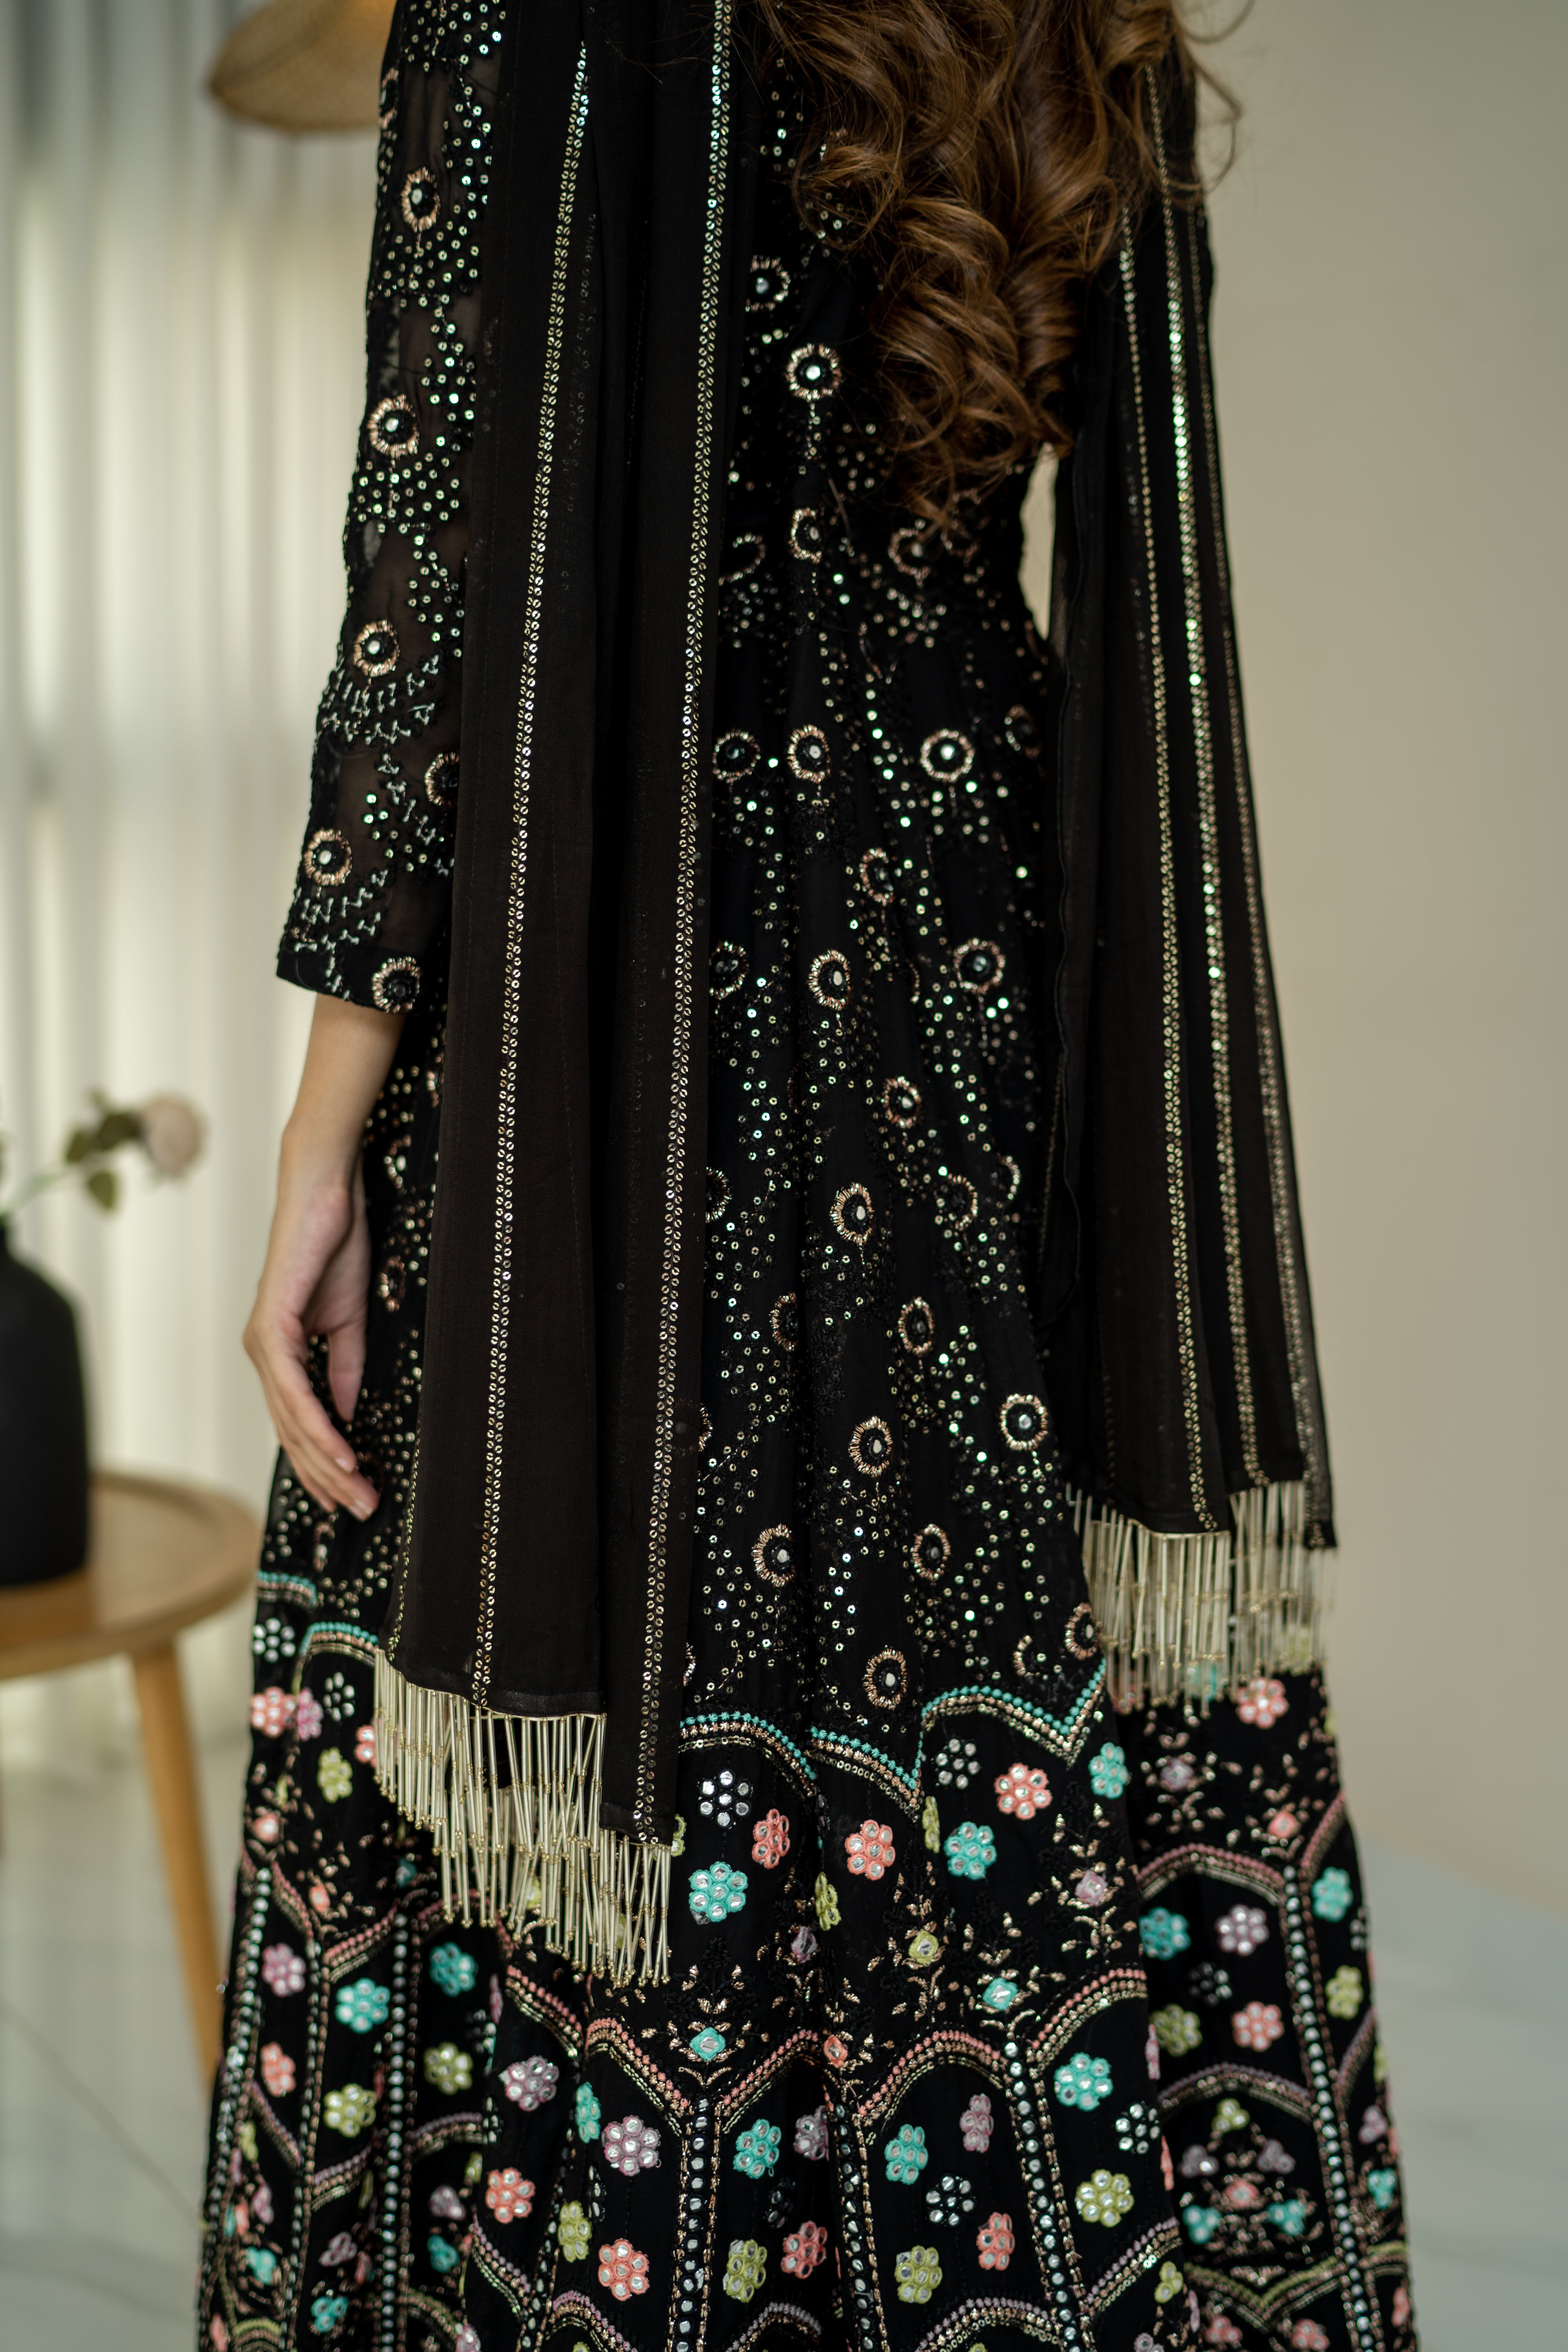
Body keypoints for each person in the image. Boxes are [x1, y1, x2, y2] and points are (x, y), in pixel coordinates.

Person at [200, 3, 1416, 2347]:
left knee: (575, 1713)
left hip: (600, 1046)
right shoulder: (1078, 26)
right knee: (973, 1724)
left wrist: (321, 1136)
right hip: (970, 1022)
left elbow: (438, 586)